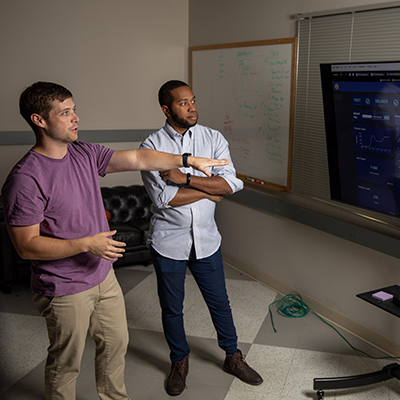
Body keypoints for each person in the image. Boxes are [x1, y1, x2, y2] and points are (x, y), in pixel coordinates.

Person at [1, 81, 229, 400]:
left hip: (103, 275)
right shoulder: (25, 179)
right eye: (65, 112)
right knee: (66, 363)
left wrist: (188, 161)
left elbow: (137, 158)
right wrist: (86, 244)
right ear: (39, 120)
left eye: (74, 109)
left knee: (115, 346)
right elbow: (25, 246)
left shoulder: (84, 153)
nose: (75, 118)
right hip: (64, 285)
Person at [140, 80, 263, 396]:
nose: (192, 107)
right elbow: (164, 199)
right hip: (168, 242)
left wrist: (185, 180)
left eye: (193, 100)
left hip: (207, 240)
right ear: (167, 109)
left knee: (220, 302)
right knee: (172, 308)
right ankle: (179, 361)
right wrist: (209, 190)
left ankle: (232, 357)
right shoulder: (151, 147)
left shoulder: (213, 138)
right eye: (183, 103)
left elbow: (232, 185)